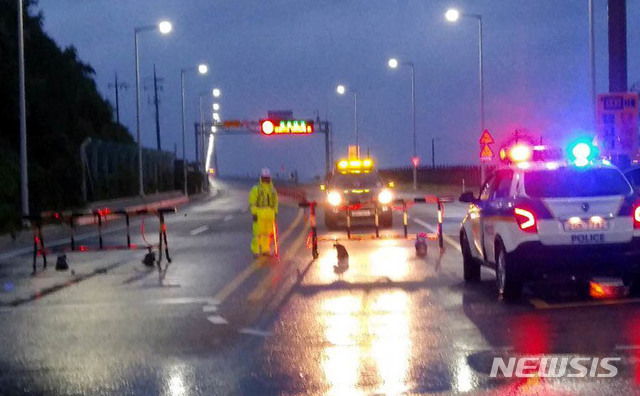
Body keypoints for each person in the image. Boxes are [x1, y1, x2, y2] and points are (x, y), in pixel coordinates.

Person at [249, 168, 278, 257]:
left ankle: (265, 250)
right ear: (261, 177)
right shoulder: (256, 189)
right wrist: (254, 213)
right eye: (264, 177)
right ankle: (256, 251)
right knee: (257, 234)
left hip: (269, 215)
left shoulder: (272, 189)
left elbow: (275, 202)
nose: (266, 179)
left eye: (267, 177)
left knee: (267, 234)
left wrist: (275, 212)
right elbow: (252, 202)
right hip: (259, 214)